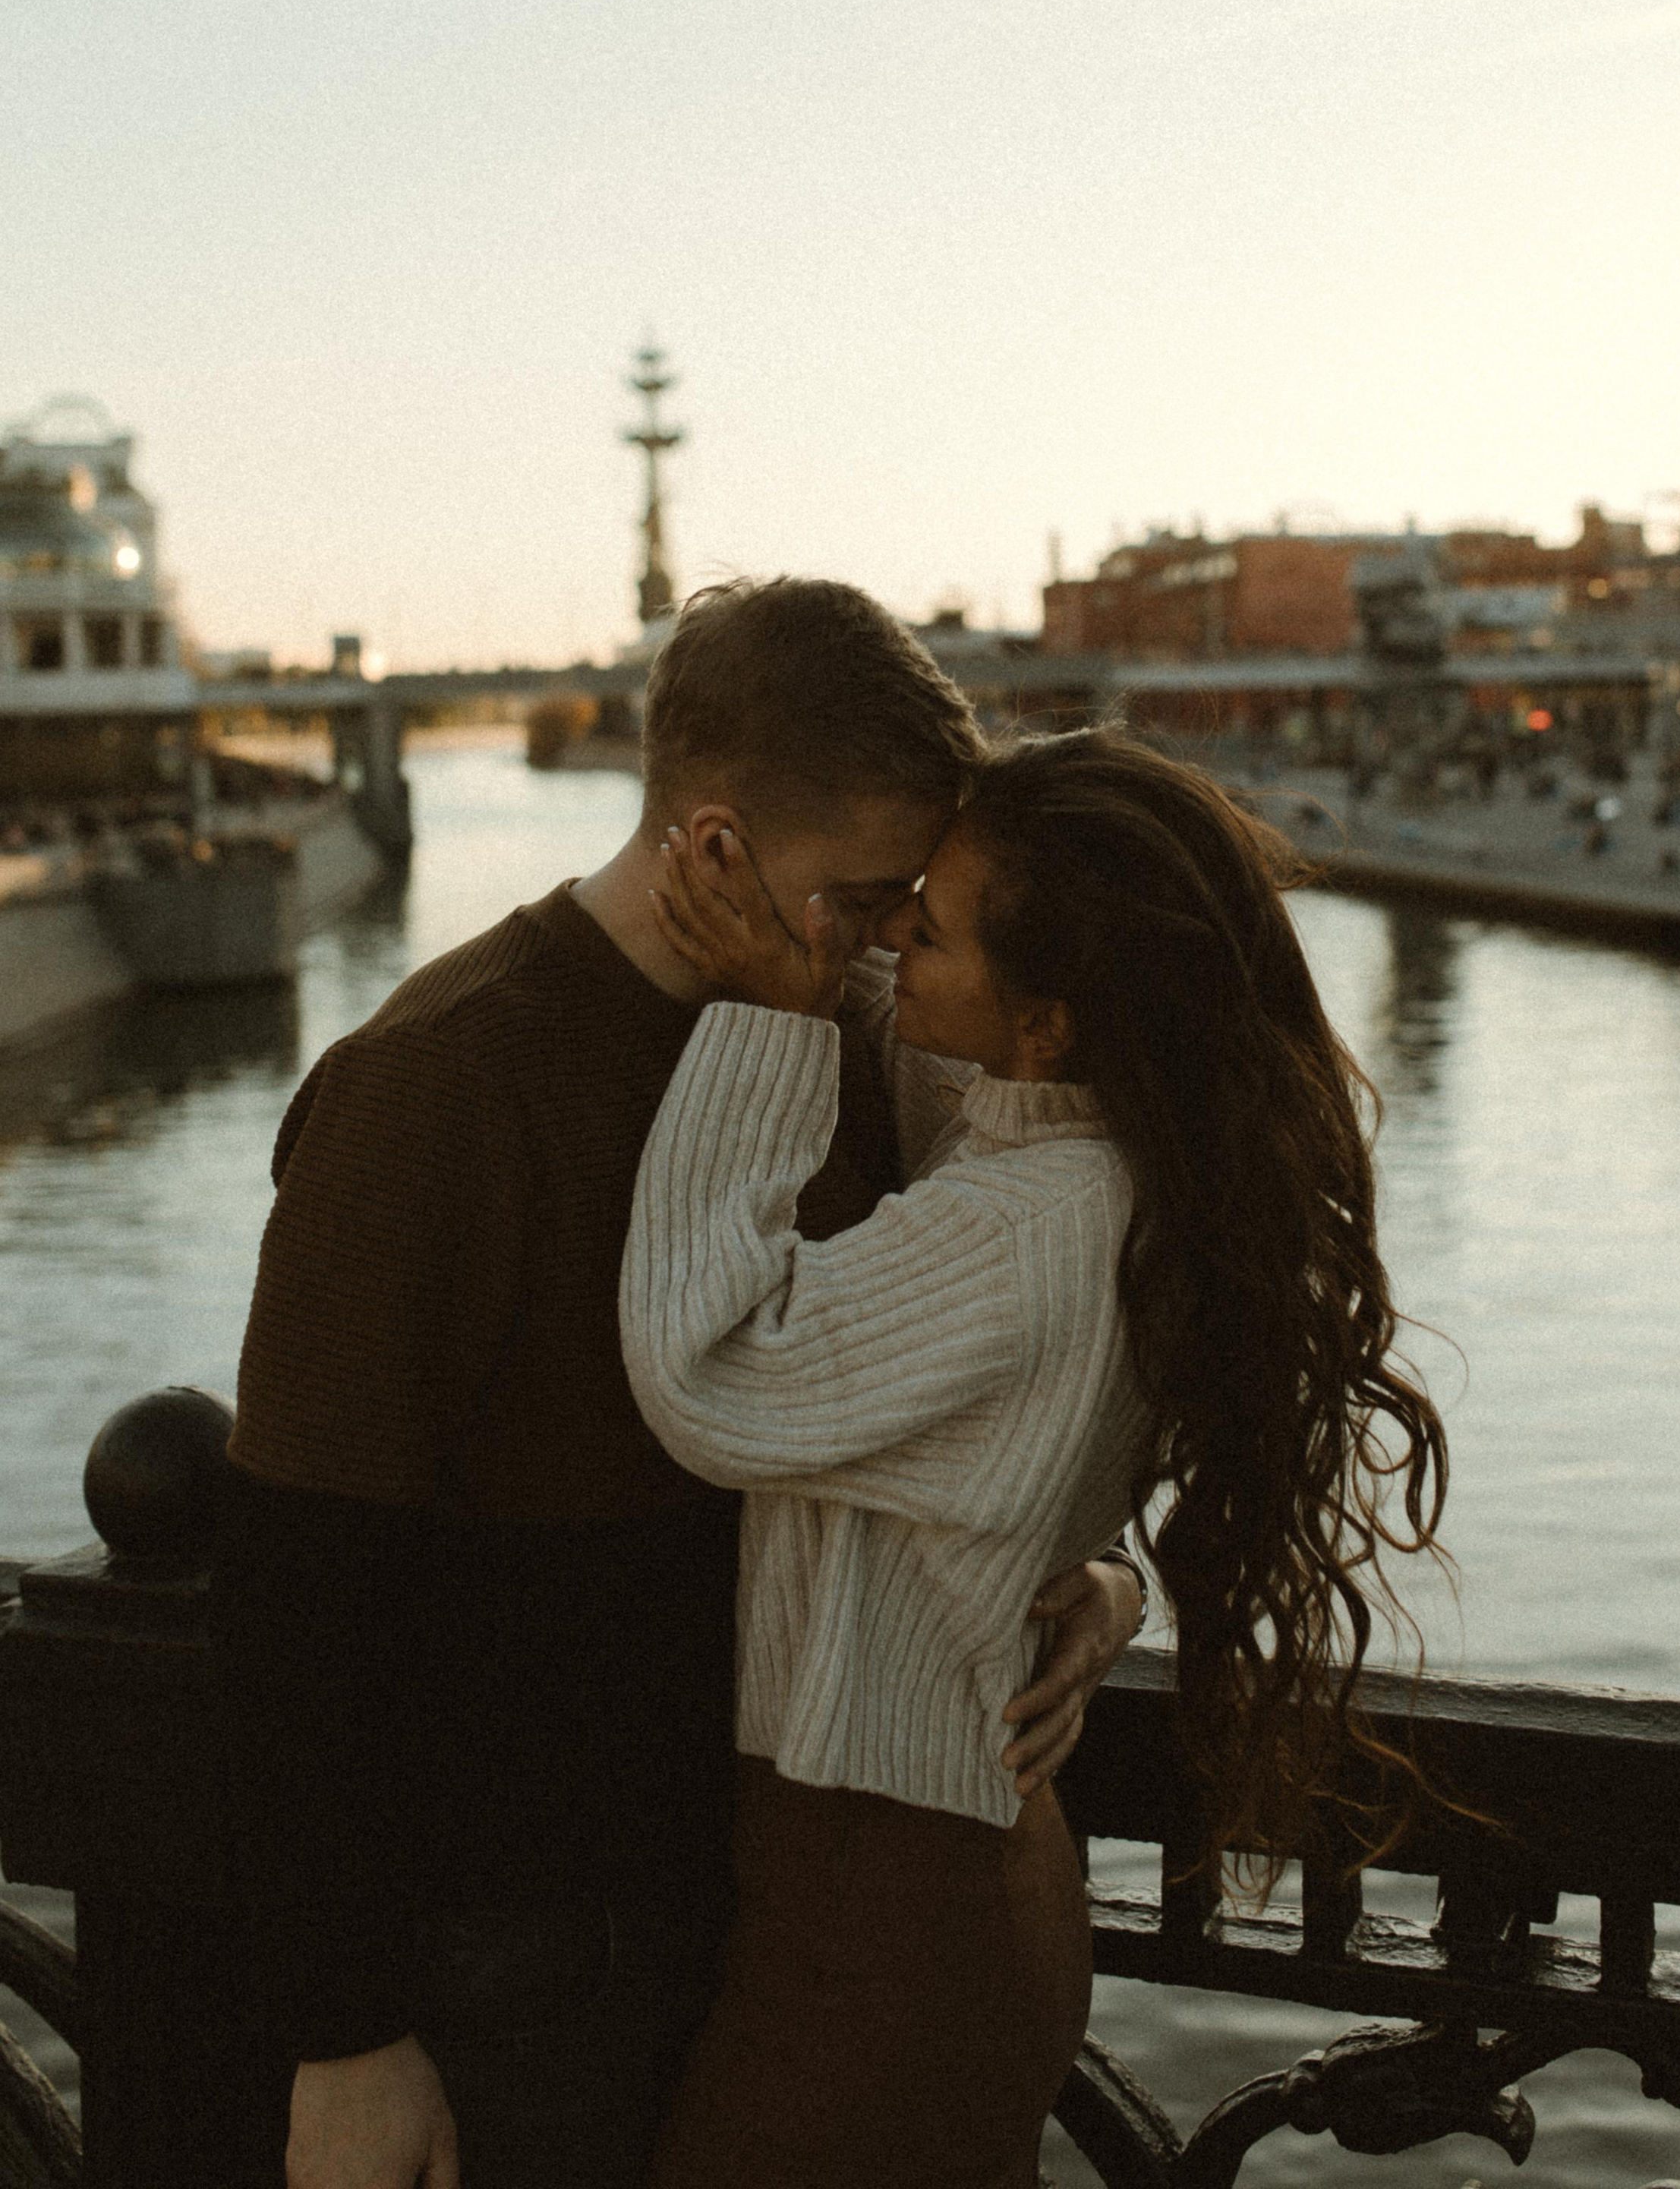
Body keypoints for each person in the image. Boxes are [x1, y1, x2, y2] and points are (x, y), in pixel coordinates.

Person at [211, 580, 1143, 2189]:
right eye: (857, 897)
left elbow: (978, 1352)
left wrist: (1083, 1562)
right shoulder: (434, 1088)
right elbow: (301, 1599)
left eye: (906, 903)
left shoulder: (835, 1033)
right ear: (713, 849)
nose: (883, 947)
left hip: (760, 1906)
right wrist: (343, 2035)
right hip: (517, 1944)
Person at [622, 727, 1449, 2189]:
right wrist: (1097, 1567)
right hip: (934, 1888)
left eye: (921, 925)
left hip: (883, 1929)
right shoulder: (1073, 1136)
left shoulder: (1030, 1223)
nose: (886, 939)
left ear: (1054, 1017)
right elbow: (1019, 1407)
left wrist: (762, 1013)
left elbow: (713, 1378)